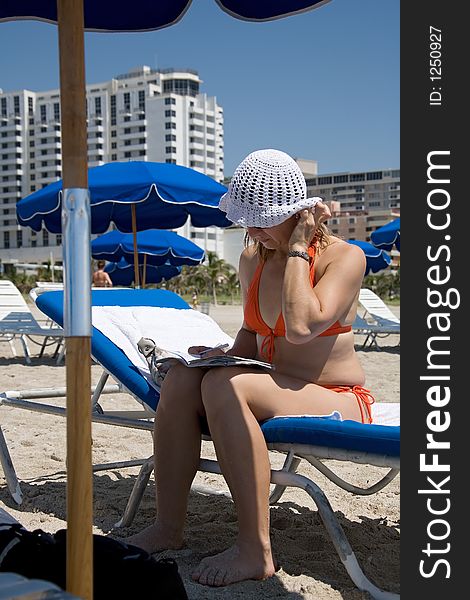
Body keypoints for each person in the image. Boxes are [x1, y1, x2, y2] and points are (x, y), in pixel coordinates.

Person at [126, 149, 372, 587]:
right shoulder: (253, 257)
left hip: (337, 398)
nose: (251, 230)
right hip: (275, 385)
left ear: (297, 214)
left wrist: (297, 246)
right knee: (183, 380)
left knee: (227, 386)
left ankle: (255, 549)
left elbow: (299, 327)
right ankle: (169, 526)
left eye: (262, 219)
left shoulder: (344, 258)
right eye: (246, 220)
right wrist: (218, 355)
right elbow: (253, 335)